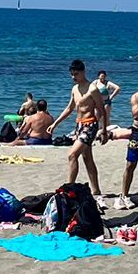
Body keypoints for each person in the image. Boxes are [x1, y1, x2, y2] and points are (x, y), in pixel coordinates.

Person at [49, 60, 108, 191]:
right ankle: (96, 190)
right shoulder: (75, 89)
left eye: (76, 74)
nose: (73, 77)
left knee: (72, 155)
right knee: (88, 158)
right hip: (79, 126)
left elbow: (102, 110)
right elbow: (69, 108)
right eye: (71, 74)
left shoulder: (92, 89)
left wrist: (104, 131)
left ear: (83, 72)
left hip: (90, 125)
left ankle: (68, 188)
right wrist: (55, 124)